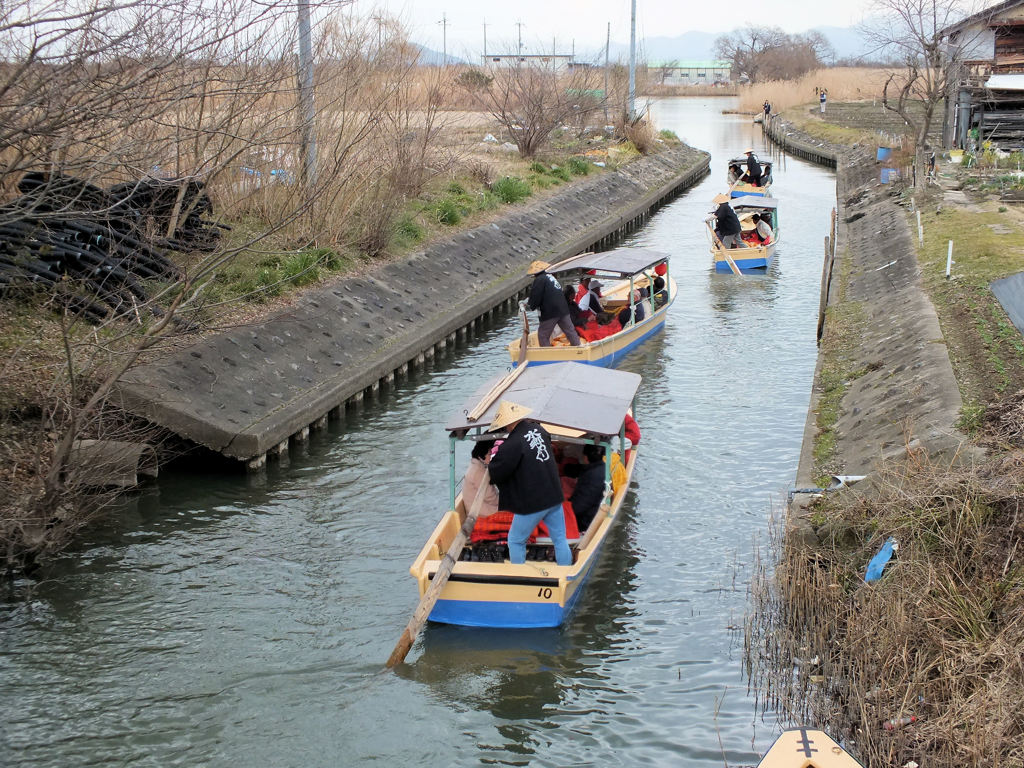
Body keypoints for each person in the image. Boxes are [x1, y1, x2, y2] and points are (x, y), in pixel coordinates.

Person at [486, 401, 572, 566]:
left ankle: (519, 576)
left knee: (516, 541)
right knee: (560, 539)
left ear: (508, 423)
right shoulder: (539, 430)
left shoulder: (512, 443)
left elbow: (497, 470)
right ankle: (566, 572)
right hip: (554, 494)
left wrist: (493, 460)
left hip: (533, 502)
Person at [526, 260, 581, 347]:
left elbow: (535, 296)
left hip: (551, 311)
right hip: (563, 309)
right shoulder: (550, 277)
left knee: (543, 335)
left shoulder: (539, 280)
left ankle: (546, 356)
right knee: (570, 331)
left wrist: (529, 305)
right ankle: (578, 348)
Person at [566, 444, 606, 533]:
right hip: (589, 512)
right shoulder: (600, 468)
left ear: (585, 457)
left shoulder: (592, 476)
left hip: (584, 521)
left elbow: (578, 506)